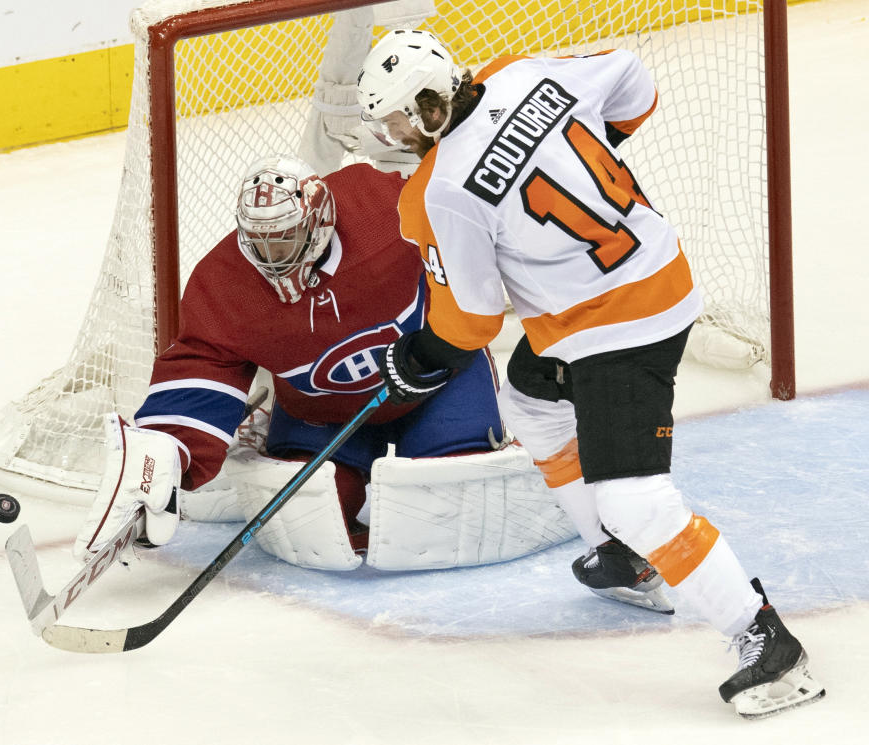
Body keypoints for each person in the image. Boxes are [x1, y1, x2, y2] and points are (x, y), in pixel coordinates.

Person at [356, 29, 824, 717]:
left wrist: (418, 359)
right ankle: (619, 556)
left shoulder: (438, 190)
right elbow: (635, 80)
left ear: (429, 104)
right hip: (651, 273)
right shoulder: (520, 73)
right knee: (531, 401)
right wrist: (574, 157)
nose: (392, 134)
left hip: (615, 328)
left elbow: (475, 319)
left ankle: (769, 645)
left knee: (635, 496)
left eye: (398, 117)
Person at [73, 154, 574, 574]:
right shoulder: (224, 283)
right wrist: (165, 452)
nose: (271, 254)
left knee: (449, 505)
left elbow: (471, 221)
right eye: (260, 240)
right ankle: (269, 431)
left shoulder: (384, 208)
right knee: (306, 521)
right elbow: (203, 365)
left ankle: (559, 459)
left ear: (319, 222)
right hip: (322, 412)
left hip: (438, 381)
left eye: (284, 238)